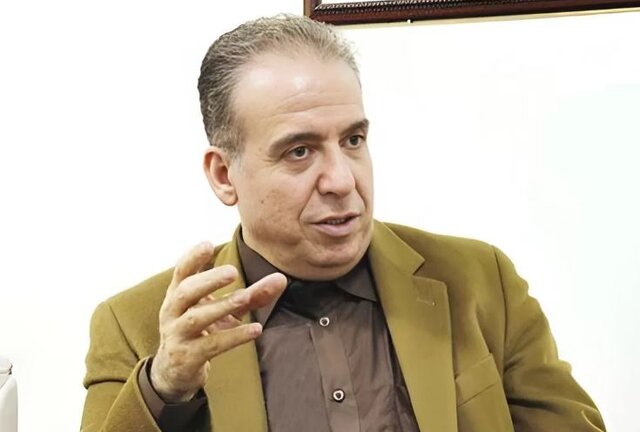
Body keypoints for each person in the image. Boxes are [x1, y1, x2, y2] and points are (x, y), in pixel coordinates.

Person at [81, 14, 606, 432]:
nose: (341, 179)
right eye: (300, 151)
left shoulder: (479, 281)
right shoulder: (136, 326)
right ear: (224, 175)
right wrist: (166, 388)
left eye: (353, 140)